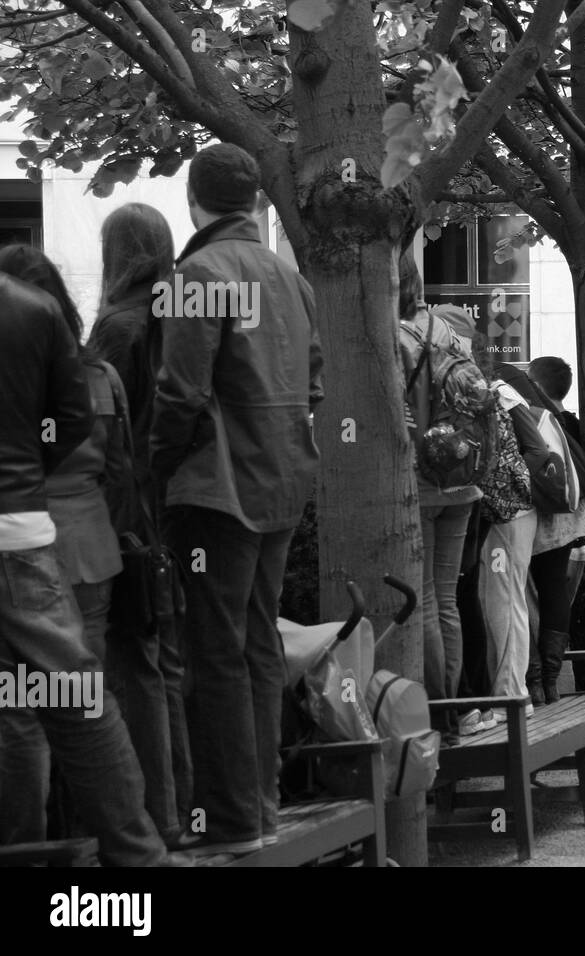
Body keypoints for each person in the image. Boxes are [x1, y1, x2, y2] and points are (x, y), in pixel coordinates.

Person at [152, 143, 323, 856]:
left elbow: (179, 394)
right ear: (255, 203)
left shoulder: (198, 273)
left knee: (214, 654)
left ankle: (230, 820)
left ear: (194, 200)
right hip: (281, 482)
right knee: (255, 649)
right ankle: (261, 810)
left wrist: (149, 467)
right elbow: (313, 385)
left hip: (217, 490)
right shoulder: (291, 277)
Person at [0, 252, 178, 866]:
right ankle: (137, 848)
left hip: (43, 534)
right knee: (81, 697)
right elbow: (111, 455)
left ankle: (28, 846)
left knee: (18, 713)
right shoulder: (50, 327)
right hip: (53, 538)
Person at [85, 202, 191, 848]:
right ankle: (177, 811)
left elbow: (103, 445)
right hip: (175, 514)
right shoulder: (178, 314)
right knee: (167, 667)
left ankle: (152, 819)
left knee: (135, 667)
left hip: (127, 519)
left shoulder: (117, 329)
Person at [396, 251, 486, 741]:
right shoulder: (445, 329)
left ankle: (439, 712)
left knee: (427, 600)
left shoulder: (398, 337)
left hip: (422, 479)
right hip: (462, 475)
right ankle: (457, 709)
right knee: (447, 599)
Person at [472, 336, 550, 723]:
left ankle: (509, 695)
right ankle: (516, 692)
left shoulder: (493, 395)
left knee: (500, 603)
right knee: (513, 601)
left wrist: (510, 486)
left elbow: (537, 450)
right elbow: (537, 450)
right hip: (520, 512)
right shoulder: (506, 392)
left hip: (505, 514)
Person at [527, 356, 585, 703]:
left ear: (535, 385)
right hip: (572, 527)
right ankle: (550, 681)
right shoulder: (577, 426)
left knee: (525, 597)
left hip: (541, 521)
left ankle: (536, 679)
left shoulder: (535, 421)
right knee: (555, 593)